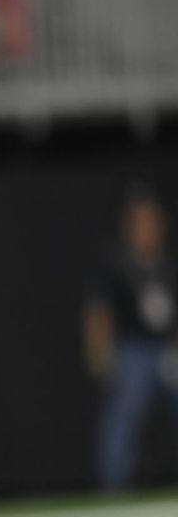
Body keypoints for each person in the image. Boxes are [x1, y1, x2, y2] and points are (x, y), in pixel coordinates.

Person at [85, 187, 178, 492]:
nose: (147, 229)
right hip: (134, 350)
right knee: (124, 415)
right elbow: (99, 312)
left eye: (152, 221)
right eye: (140, 222)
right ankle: (115, 488)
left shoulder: (169, 263)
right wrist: (100, 353)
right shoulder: (117, 265)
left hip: (170, 348)